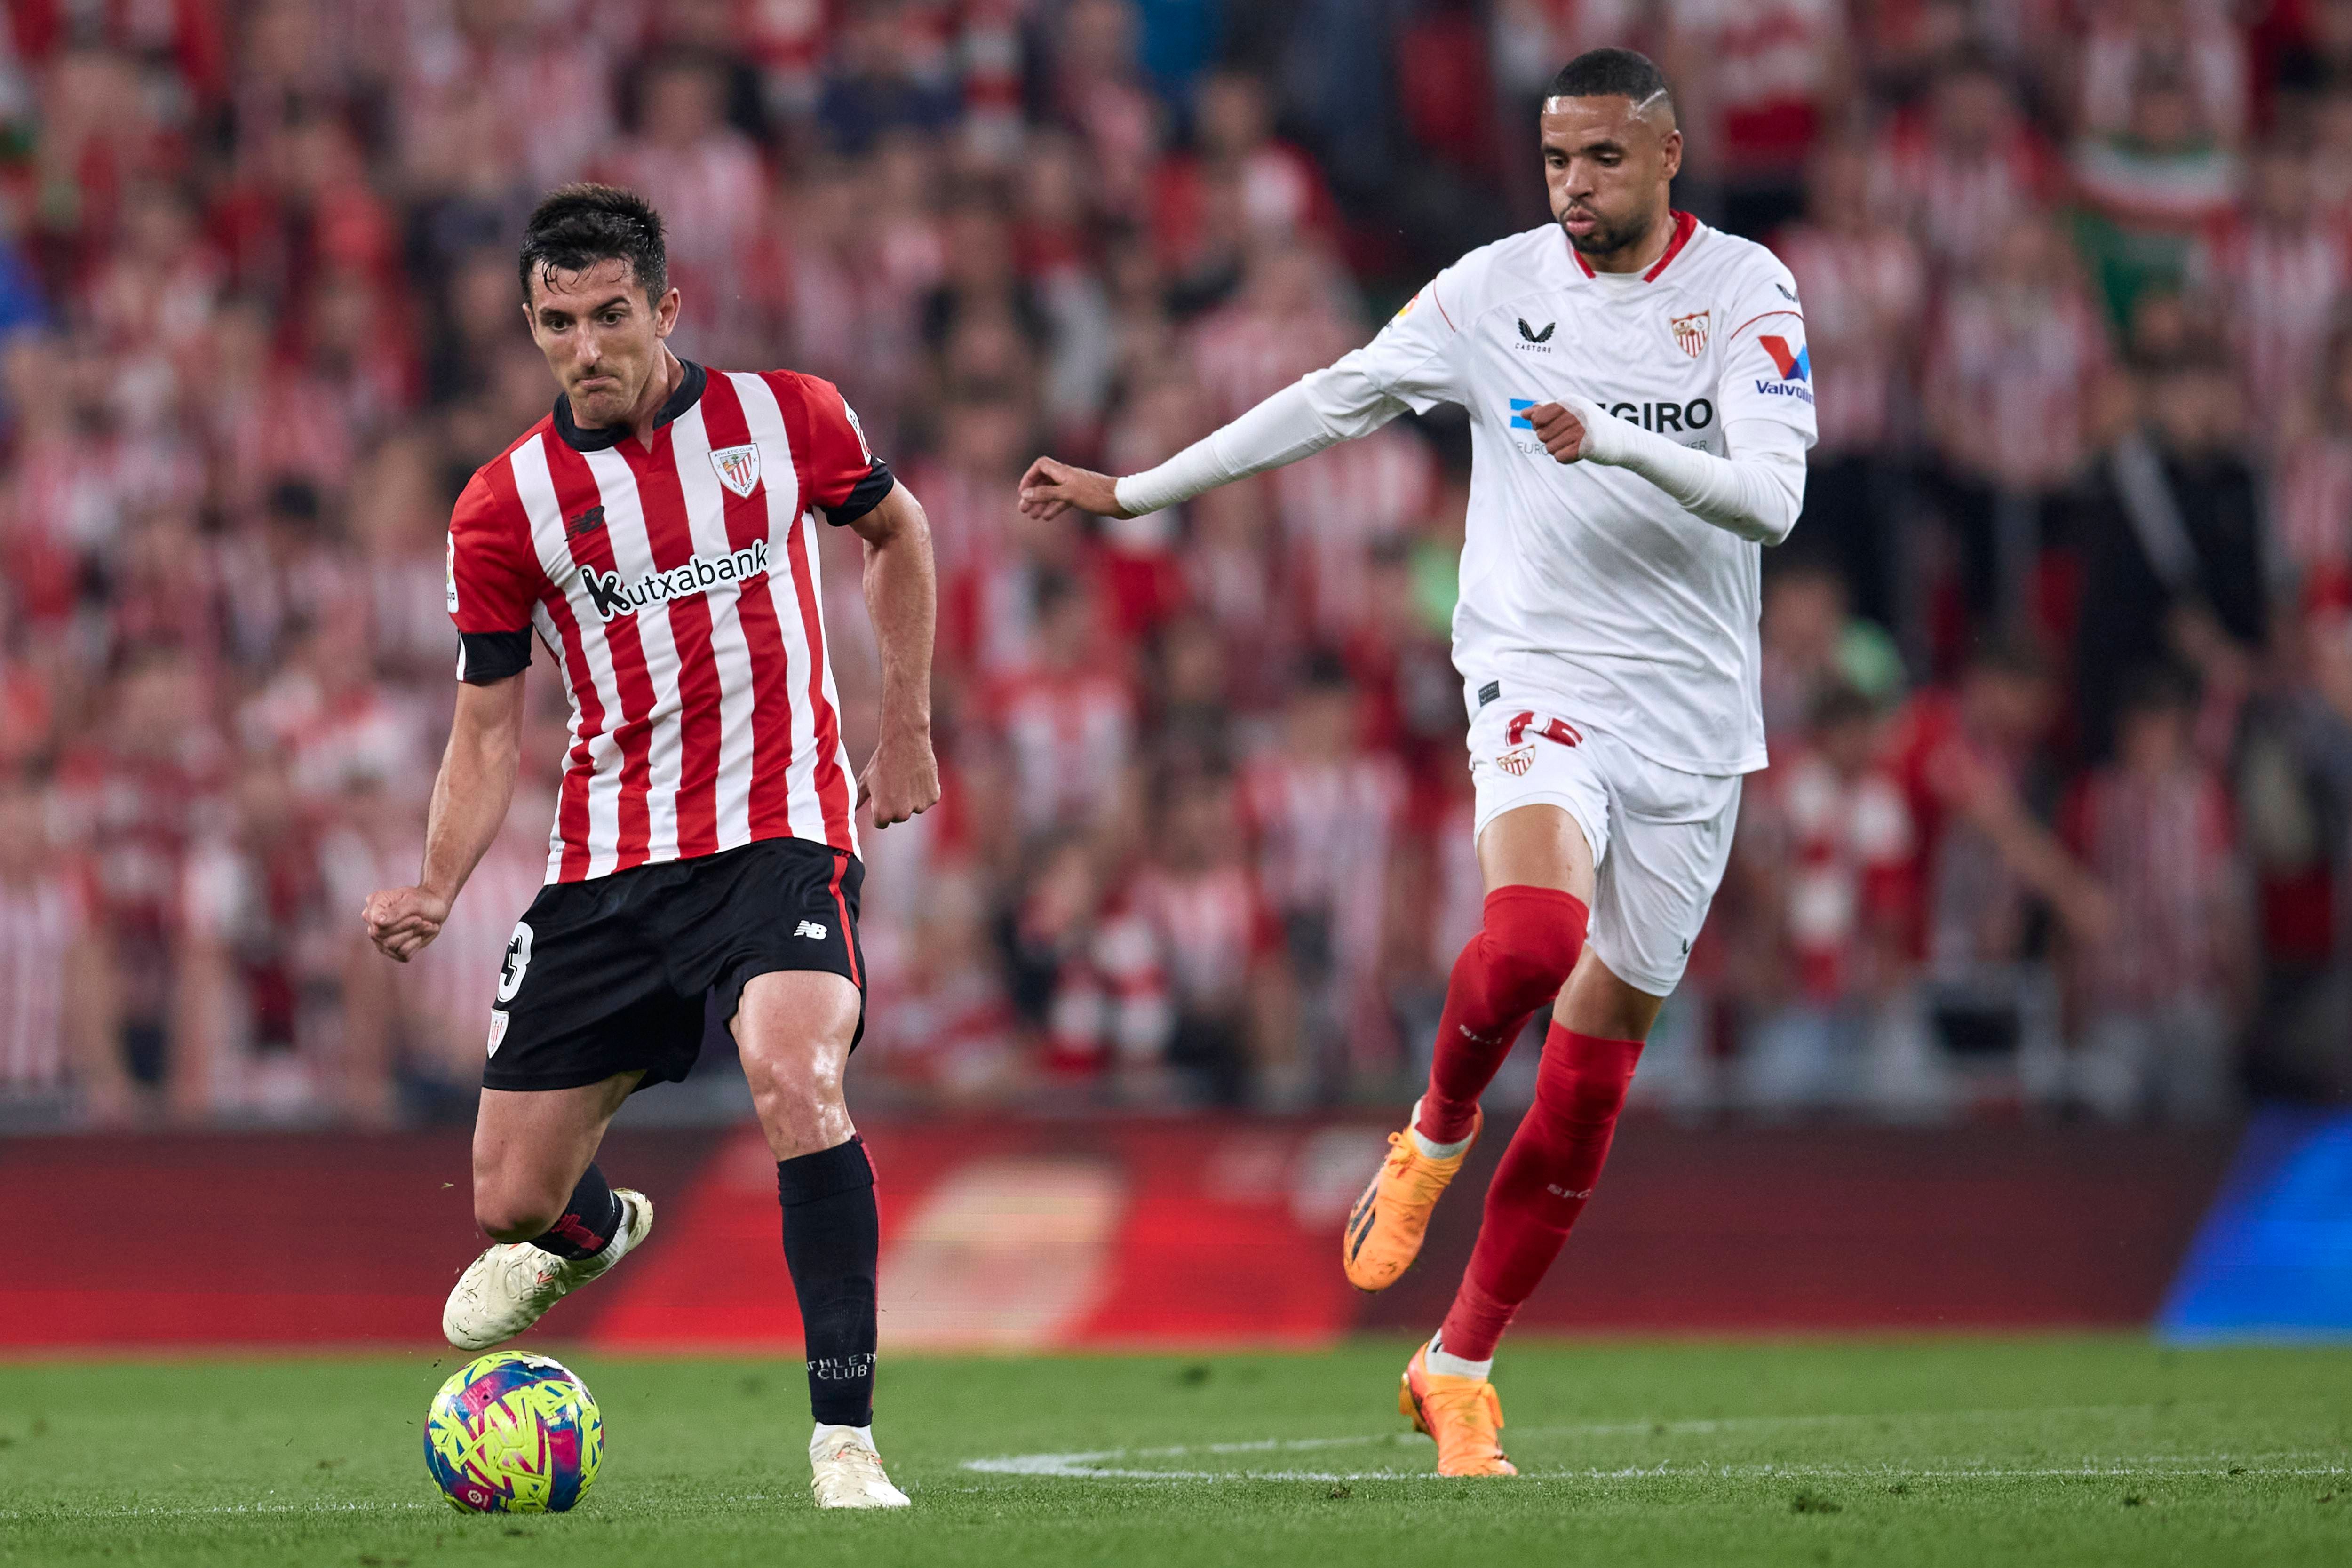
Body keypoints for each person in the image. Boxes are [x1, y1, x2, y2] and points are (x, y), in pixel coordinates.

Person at [1017, 49, 1815, 1476]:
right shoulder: (1492, 288)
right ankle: (1432, 1134)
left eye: (1605, 161)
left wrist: (1618, 439)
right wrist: (1136, 492)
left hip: (1695, 719)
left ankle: (1458, 1367)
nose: (1576, 187)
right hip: (1541, 671)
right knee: (1531, 935)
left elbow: (1772, 500)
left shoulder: (1747, 290)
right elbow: (1333, 398)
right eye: (1559, 160)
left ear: (1669, 154)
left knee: (1590, 1083)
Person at [359, 186, 939, 1510]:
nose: (587, 348)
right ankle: (595, 1232)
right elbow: (487, 731)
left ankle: (843, 1443)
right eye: (558, 323)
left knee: (796, 1075)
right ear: (530, 325)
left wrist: (902, 727)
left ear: (666, 308)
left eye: (611, 315)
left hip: (779, 832)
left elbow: (897, 534)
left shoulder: (787, 416)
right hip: (609, 866)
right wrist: (439, 884)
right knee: (508, 1198)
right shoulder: (503, 507)